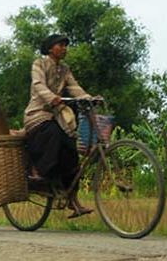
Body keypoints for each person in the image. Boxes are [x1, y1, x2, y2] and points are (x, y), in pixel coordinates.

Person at [23, 34, 96, 219]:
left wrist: (89, 98)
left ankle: (73, 201)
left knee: (72, 150)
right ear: (50, 49)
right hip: (37, 115)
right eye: (60, 45)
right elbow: (38, 84)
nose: (64, 48)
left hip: (56, 116)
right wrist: (51, 97)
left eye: (65, 45)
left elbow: (74, 87)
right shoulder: (39, 64)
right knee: (52, 134)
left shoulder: (65, 69)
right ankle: (38, 170)